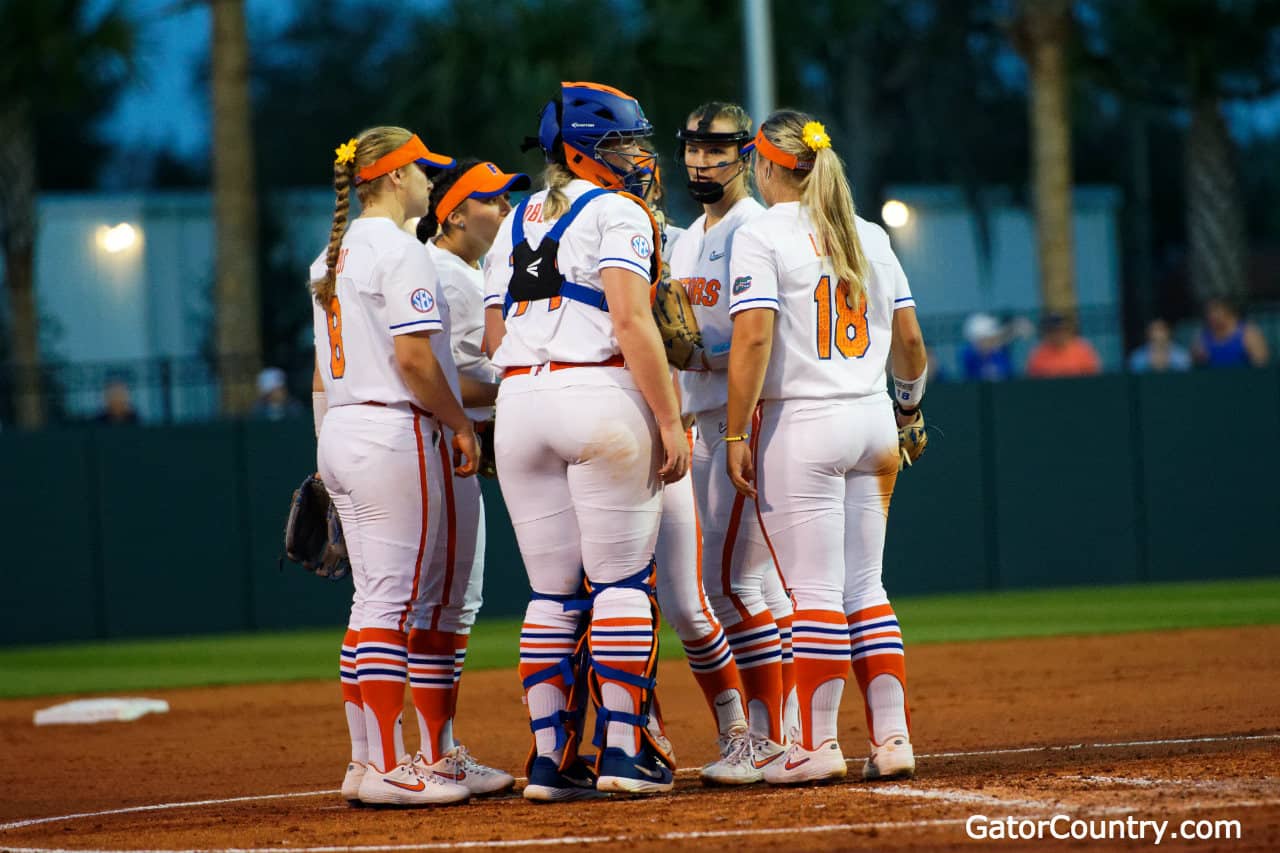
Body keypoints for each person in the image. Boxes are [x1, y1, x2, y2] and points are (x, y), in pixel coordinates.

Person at [483, 81, 690, 800]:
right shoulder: (619, 212)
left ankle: (549, 761)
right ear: (579, 150)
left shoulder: (514, 220)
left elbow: (491, 340)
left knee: (550, 593)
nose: (635, 155)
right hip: (597, 391)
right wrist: (669, 418)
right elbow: (632, 324)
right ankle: (624, 751)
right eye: (618, 144)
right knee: (621, 583)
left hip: (520, 400)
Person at [725, 110, 924, 785]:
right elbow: (913, 345)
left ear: (767, 165)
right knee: (866, 587)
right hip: (873, 420)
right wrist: (911, 407)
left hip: (803, 422)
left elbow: (752, 340)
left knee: (811, 592)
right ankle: (892, 740)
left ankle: (814, 745)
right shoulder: (868, 232)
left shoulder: (761, 233)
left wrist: (731, 429)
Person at [309, 126, 481, 807]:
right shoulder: (400, 253)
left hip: (344, 425)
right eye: (421, 170)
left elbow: (319, 370)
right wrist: (460, 419)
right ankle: (386, 763)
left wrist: (325, 449)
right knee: (391, 601)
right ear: (391, 177)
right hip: (389, 429)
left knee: (369, 598)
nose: (430, 180)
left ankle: (363, 759)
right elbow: (415, 363)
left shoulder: (329, 255)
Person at [666, 101, 799, 784]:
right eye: (691, 148)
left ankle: (769, 738)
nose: (699, 160)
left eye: (715, 149)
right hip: (708, 419)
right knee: (759, 585)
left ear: (746, 153)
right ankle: (786, 731)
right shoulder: (690, 237)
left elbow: (758, 336)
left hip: (743, 419)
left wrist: (698, 351)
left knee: (730, 584)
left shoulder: (756, 228)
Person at [396, 159, 532, 796]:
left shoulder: (464, 271)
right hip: (439, 443)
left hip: (456, 445)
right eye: (492, 201)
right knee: (436, 600)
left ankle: (436, 748)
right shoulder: (443, 273)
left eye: (507, 200)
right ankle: (429, 752)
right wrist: (528, 384)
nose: (504, 211)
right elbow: (440, 375)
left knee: (450, 600)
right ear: (451, 215)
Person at [1191, 298, 1269, 368]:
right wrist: (1198, 358)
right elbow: (1193, 364)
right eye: (1209, 313)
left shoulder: (1249, 333)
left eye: (1216, 311)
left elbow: (1261, 364)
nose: (1212, 316)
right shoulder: (1202, 335)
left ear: (1229, 311)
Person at [1025, 313, 1102, 378]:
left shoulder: (1083, 349)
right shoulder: (1038, 353)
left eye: (1062, 330)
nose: (1058, 334)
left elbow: (1094, 374)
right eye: (1053, 331)